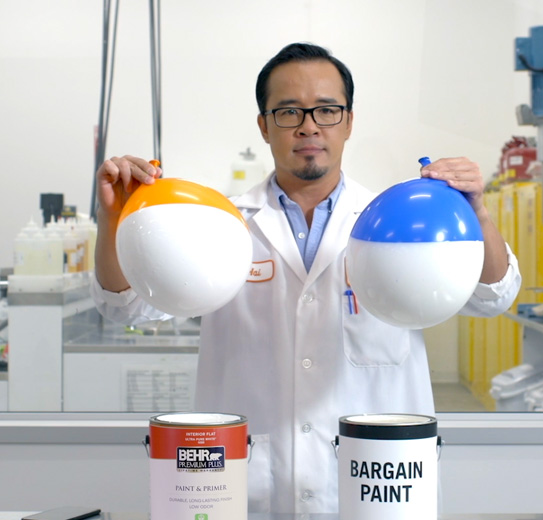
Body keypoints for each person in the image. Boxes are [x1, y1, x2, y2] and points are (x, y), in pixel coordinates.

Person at [91, 43, 521, 514]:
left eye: (327, 110)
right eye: (289, 111)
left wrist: (475, 210)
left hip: (379, 485)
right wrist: (114, 220)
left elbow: (492, 296)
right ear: (264, 125)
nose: (309, 125)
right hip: (250, 488)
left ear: (349, 122)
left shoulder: (399, 224)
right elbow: (124, 306)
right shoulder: (220, 226)